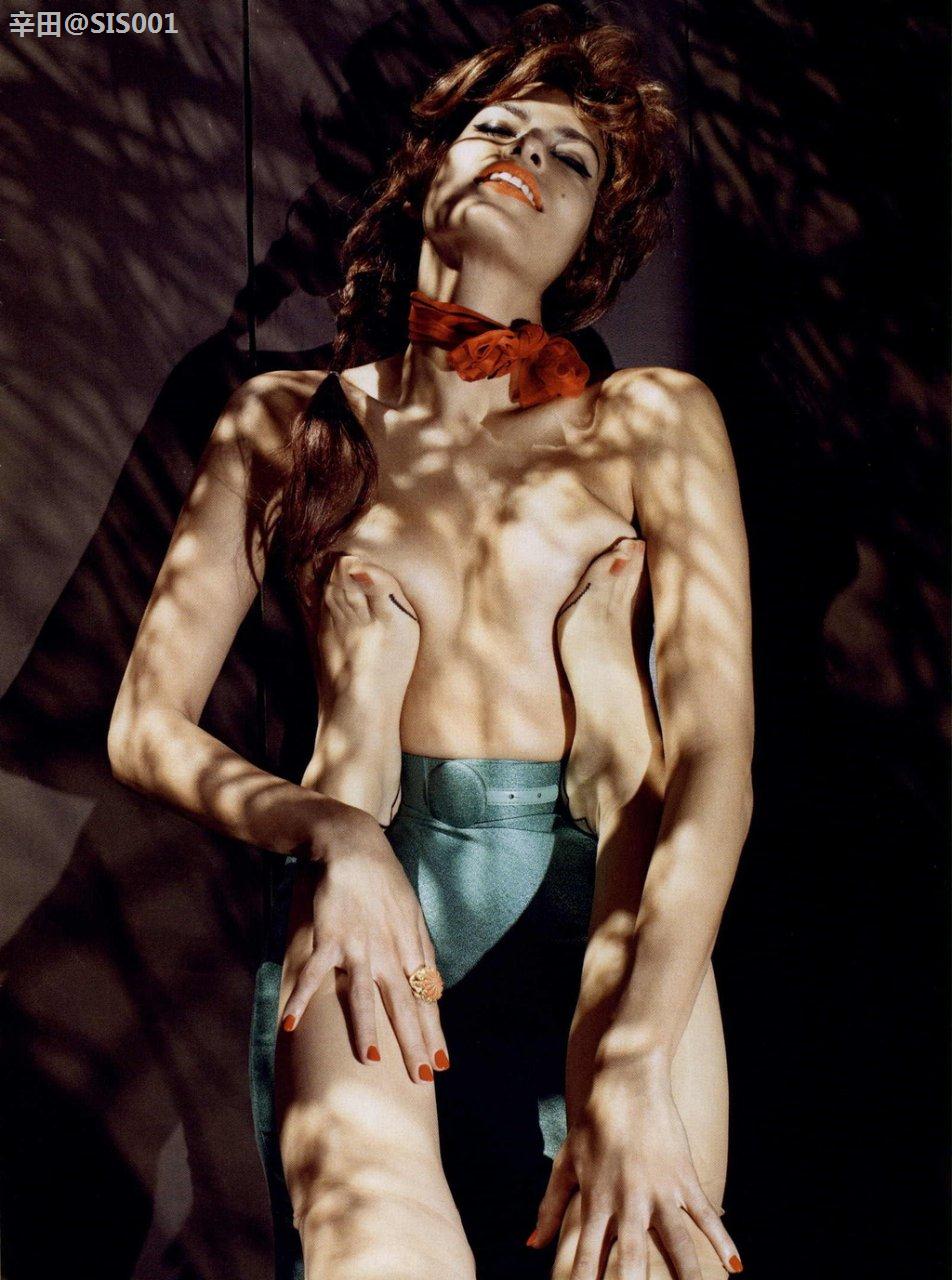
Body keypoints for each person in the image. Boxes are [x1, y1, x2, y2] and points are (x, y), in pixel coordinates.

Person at [108, 7, 754, 1278]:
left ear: (591, 242)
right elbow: (143, 724)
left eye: (570, 159)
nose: (526, 155)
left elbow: (717, 760)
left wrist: (634, 1057)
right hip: (376, 876)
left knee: (642, 1245)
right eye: (497, 128)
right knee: (379, 1252)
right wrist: (332, 830)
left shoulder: (649, 419)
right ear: (430, 169)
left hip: (617, 875)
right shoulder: (281, 419)